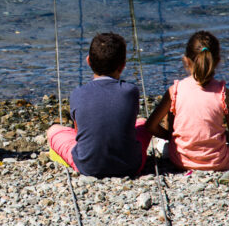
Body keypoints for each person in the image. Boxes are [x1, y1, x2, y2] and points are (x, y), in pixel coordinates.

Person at [145, 30, 229, 171]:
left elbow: (150, 126)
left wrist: (172, 138)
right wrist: (220, 135)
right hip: (218, 161)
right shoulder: (224, 94)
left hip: (180, 160)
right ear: (217, 61)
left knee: (172, 112)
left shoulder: (174, 90)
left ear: (186, 60)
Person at [46, 32, 151, 177]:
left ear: (88, 61)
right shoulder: (131, 91)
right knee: (143, 123)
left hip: (87, 167)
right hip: (131, 166)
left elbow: (78, 132)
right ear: (123, 66)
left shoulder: (77, 93)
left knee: (53, 130)